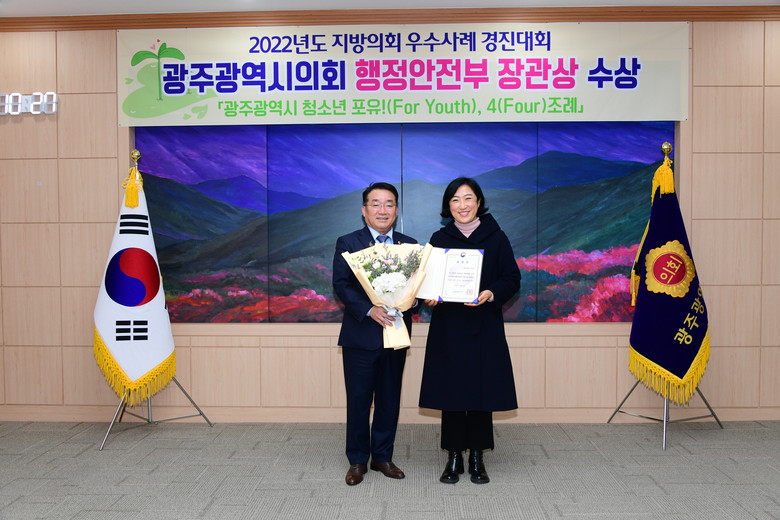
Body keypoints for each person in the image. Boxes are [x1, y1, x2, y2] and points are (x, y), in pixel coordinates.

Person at [419, 176, 520, 485]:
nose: (462, 205)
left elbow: (511, 278)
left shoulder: (496, 237)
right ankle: (453, 456)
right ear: (448, 206)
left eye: (467, 198)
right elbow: (424, 279)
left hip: (483, 325)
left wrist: (491, 292)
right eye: (455, 200)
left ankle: (477, 456)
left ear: (478, 202)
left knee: (481, 391)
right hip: (448, 327)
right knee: (451, 392)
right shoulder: (438, 239)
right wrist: (428, 295)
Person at [332, 182, 418, 486]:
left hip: (396, 333)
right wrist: (370, 309)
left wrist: (412, 300)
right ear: (364, 210)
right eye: (376, 204)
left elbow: (416, 286)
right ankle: (357, 460)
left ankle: (383, 456)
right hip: (360, 335)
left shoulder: (410, 245)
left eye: (389, 204)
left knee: (389, 399)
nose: (383, 210)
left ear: (396, 209)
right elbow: (342, 285)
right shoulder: (348, 242)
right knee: (358, 400)